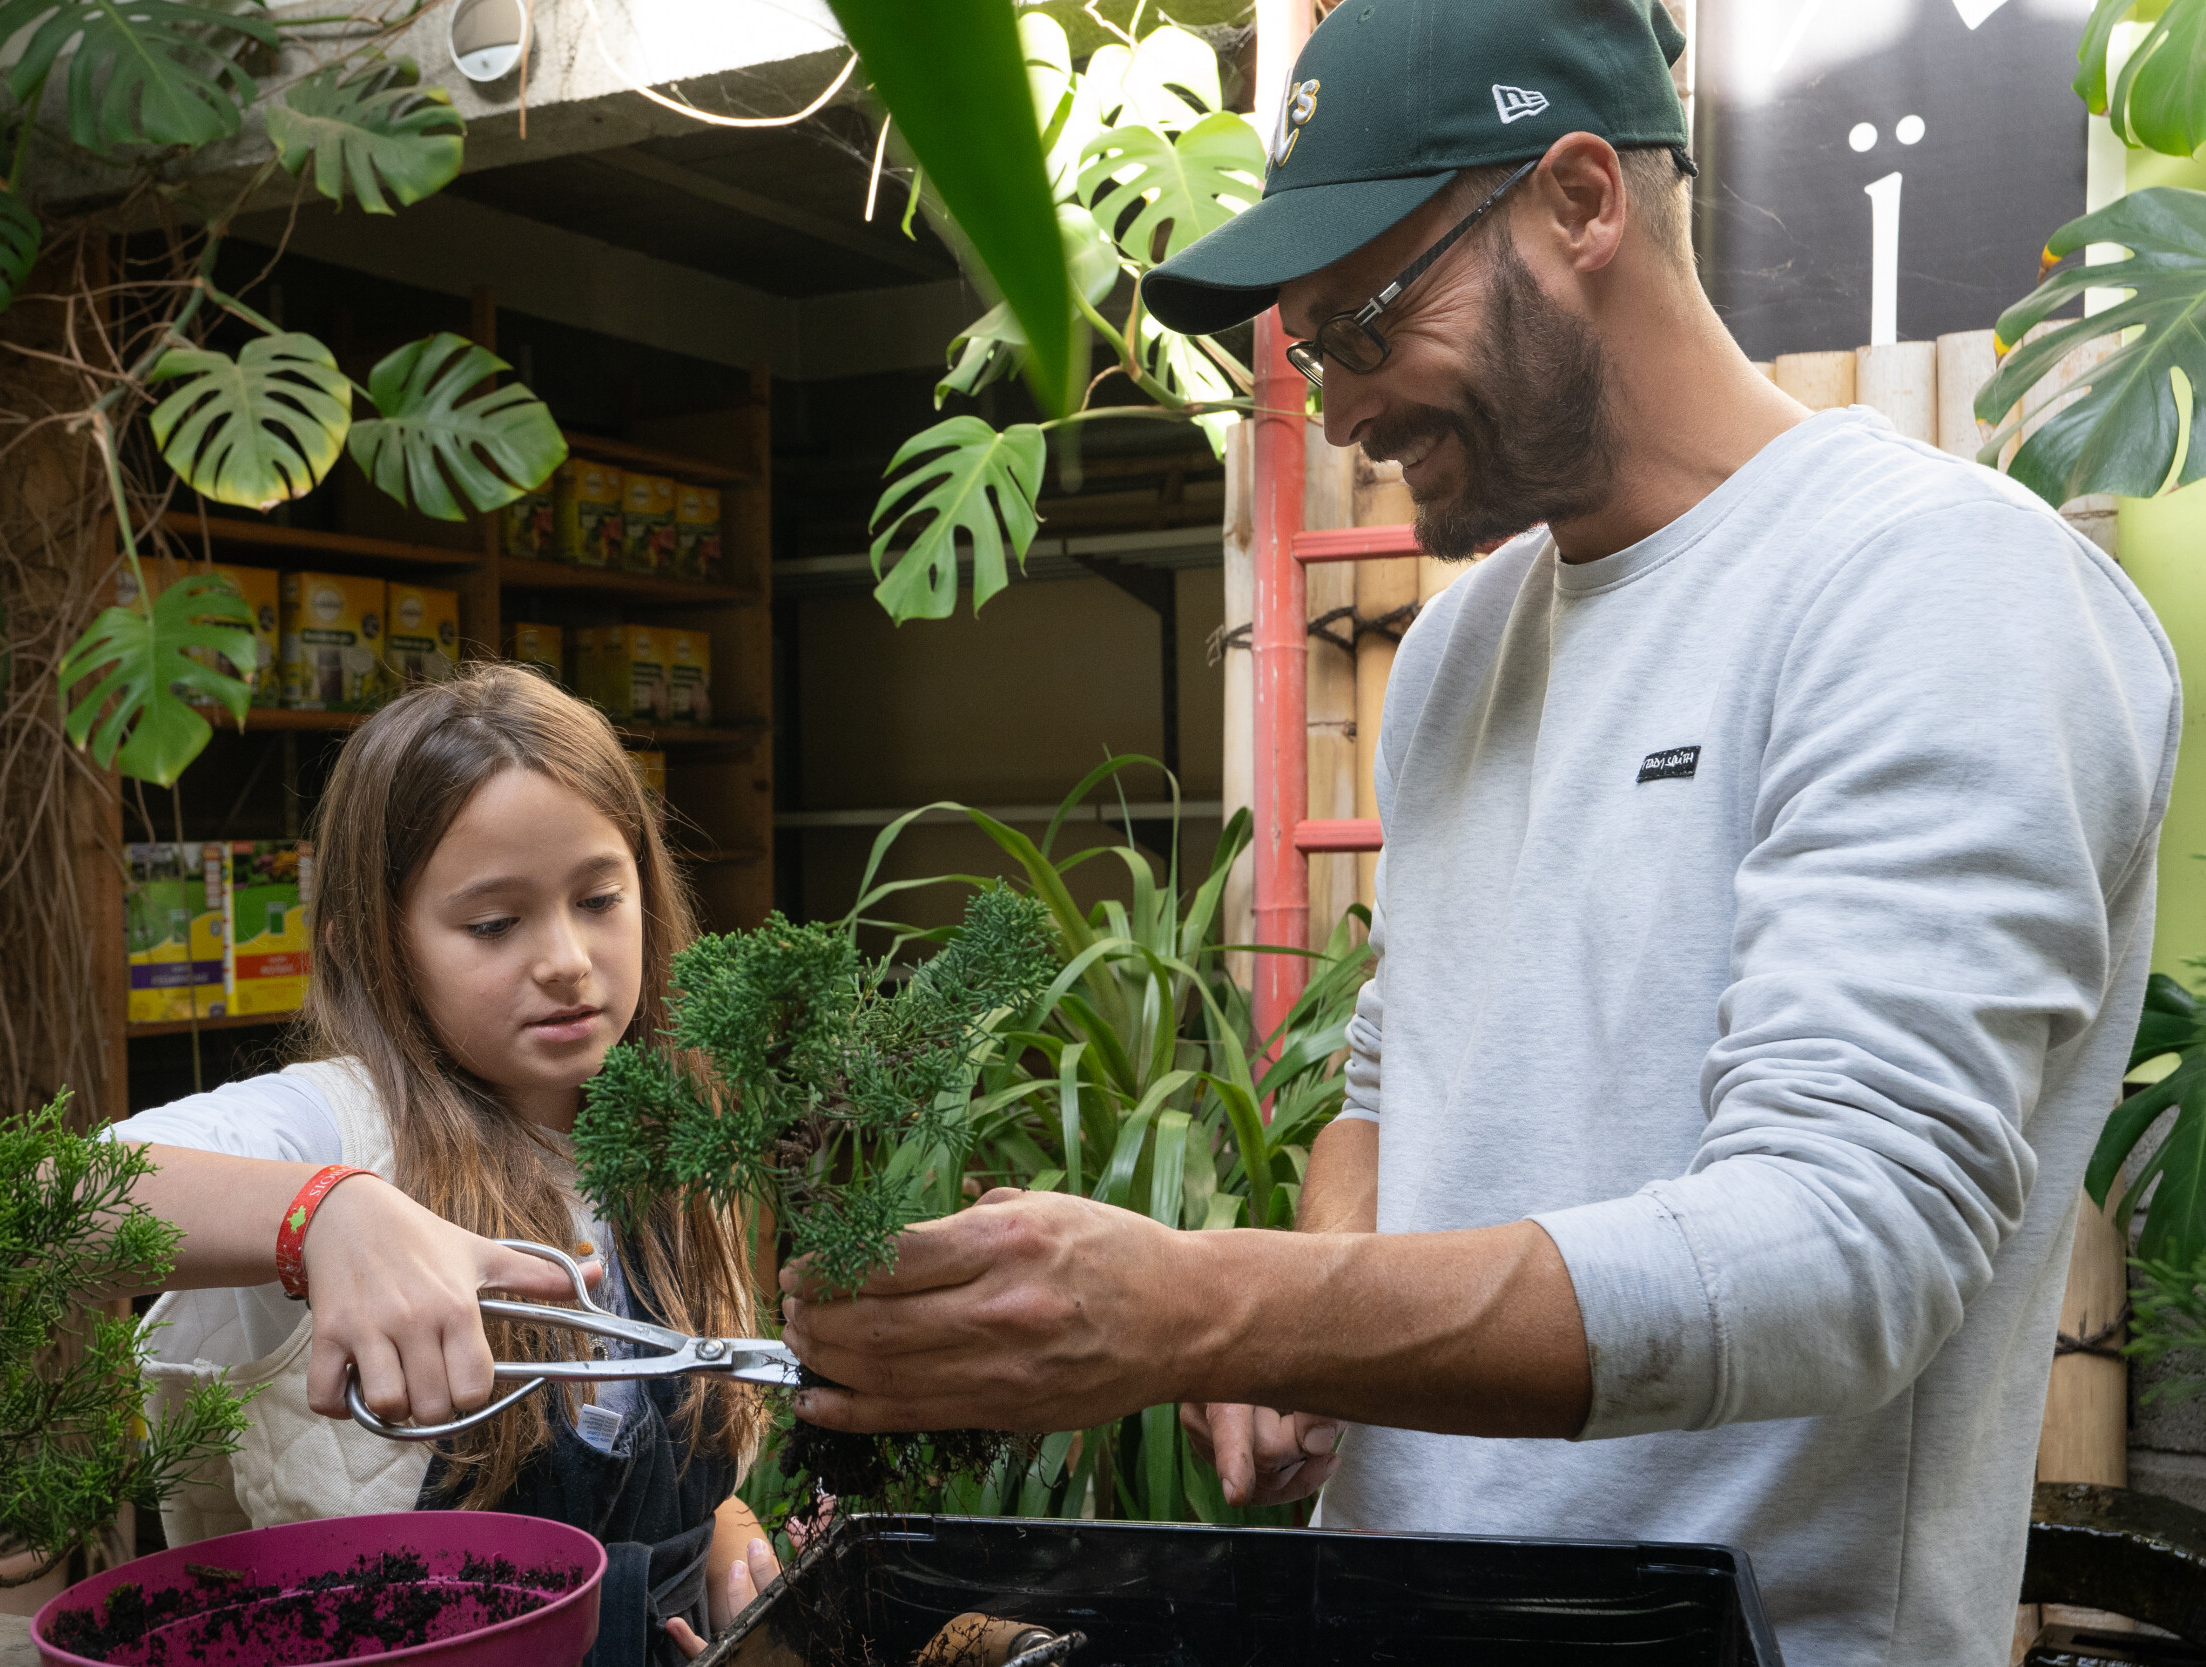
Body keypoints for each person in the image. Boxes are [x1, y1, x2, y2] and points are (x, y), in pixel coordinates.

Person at [779, 1, 2180, 1662]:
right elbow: (1401, 1078)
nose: (1340, 403)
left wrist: (1205, 1299)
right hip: (1389, 1607)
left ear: (1582, 199)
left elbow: (1843, 1249)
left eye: (1364, 319)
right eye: (1303, 345)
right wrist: (1318, 1302)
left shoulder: (1940, 590)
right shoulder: (1454, 647)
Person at [110, 666, 778, 1666]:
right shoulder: (328, 1124)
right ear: (373, 947)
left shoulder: (676, 1135)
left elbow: (677, 1445)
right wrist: (322, 1214)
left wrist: (725, 1529)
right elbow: (48, 1198)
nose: (564, 957)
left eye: (599, 897)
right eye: (493, 923)